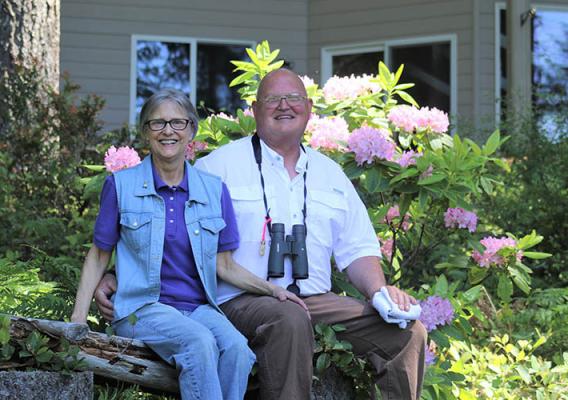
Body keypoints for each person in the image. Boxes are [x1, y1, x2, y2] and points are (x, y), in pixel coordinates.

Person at [95, 71, 427, 400]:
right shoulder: (219, 167)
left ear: (309, 108)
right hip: (240, 300)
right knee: (288, 318)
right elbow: (170, 232)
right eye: (272, 99)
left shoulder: (331, 174)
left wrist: (381, 292)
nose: (284, 105)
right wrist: (116, 274)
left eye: (294, 98)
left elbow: (358, 249)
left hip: (314, 300)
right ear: (255, 109)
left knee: (406, 333)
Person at [72, 88, 306, 400]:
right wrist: (77, 320)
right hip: (141, 309)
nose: (168, 131)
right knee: (198, 343)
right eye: (157, 123)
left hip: (197, 308)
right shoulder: (121, 185)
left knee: (237, 350)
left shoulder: (213, 190)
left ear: (191, 131)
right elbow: (99, 255)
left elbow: (225, 266)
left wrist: (273, 289)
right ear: (146, 133)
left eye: (177, 123)